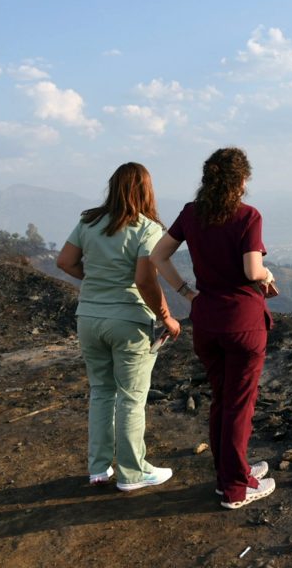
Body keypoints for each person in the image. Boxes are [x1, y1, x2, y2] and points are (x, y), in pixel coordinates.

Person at [150, 146, 276, 509]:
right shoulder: (248, 216)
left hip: (206, 321)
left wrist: (186, 293)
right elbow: (252, 270)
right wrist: (267, 274)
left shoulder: (192, 213)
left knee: (222, 401)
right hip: (243, 324)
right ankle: (236, 488)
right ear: (242, 180)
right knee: (239, 406)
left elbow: (158, 255)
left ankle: (230, 475)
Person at [56, 162, 180, 491]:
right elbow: (144, 280)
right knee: (131, 397)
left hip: (89, 318)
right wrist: (166, 317)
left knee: (101, 392)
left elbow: (64, 261)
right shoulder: (147, 228)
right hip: (128, 320)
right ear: (146, 190)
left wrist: (95, 279)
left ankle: (99, 469)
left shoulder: (88, 221)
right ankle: (132, 473)